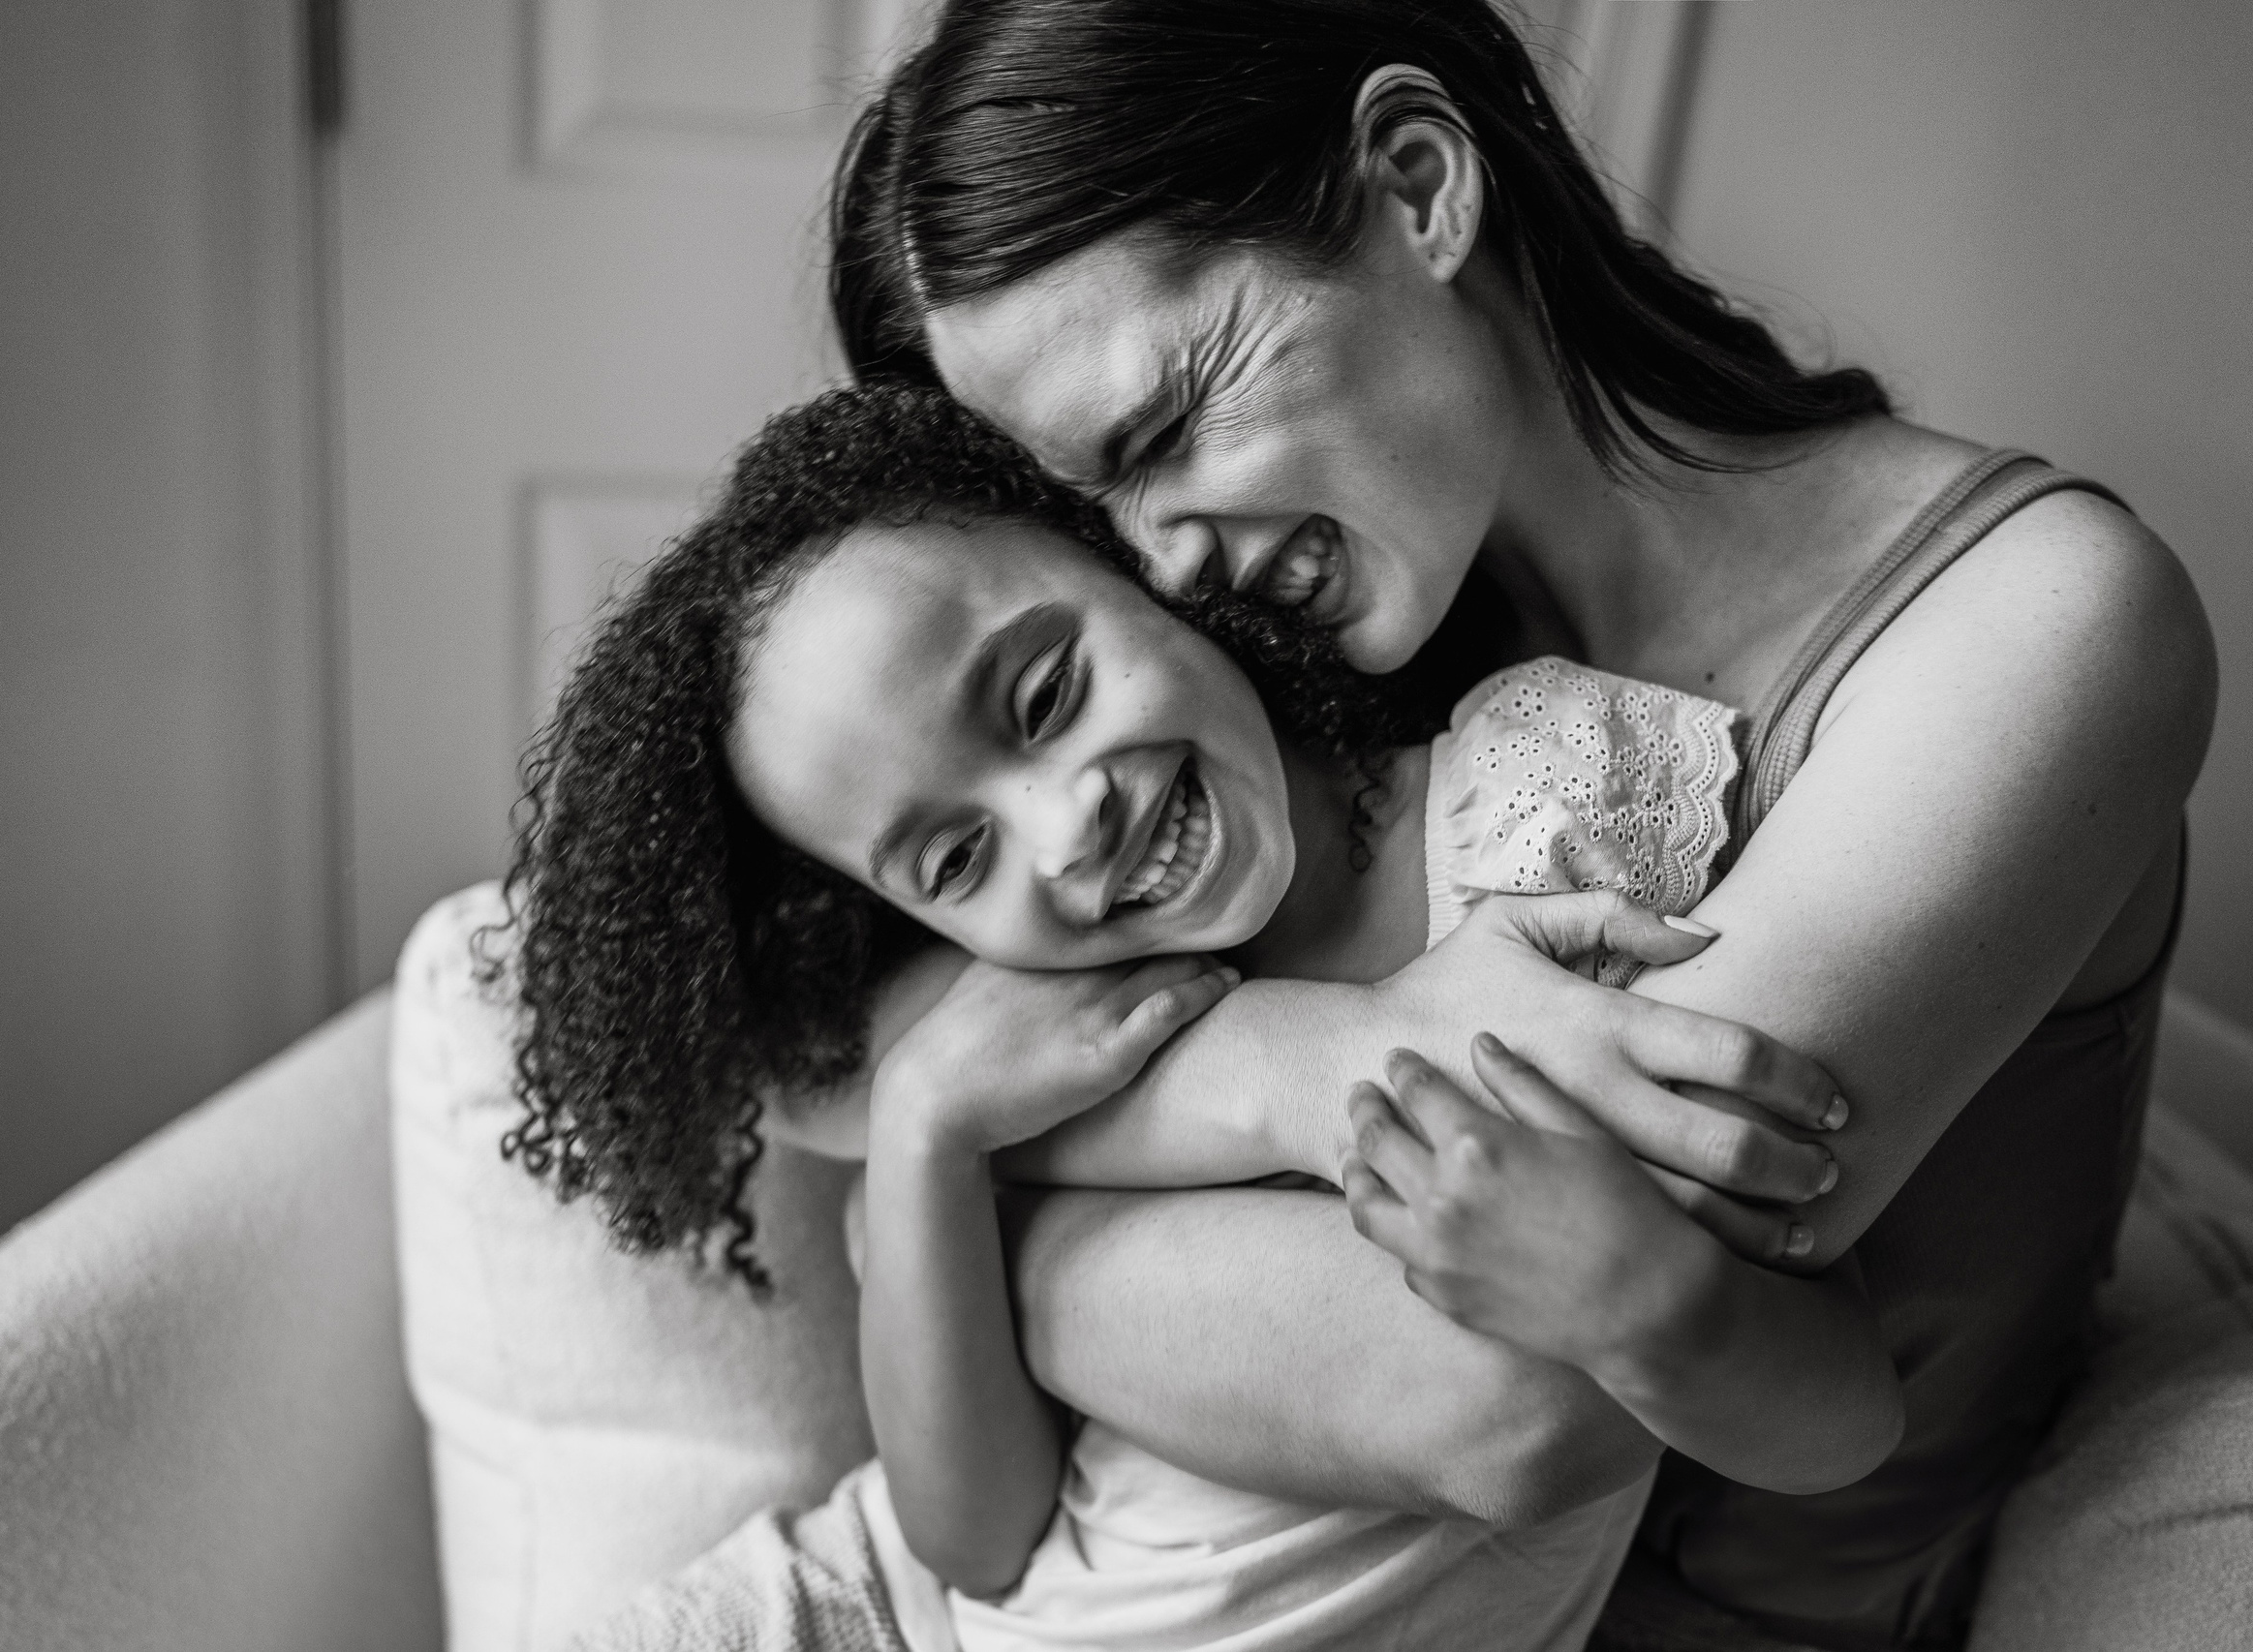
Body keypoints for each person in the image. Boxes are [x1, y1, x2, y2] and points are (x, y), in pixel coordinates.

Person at [825, 2, 2216, 1645]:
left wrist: (963, 1212)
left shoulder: (2041, 625)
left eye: (1167, 430)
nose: (1162, 563)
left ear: (1419, 184)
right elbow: (830, 1046)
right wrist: (1279, 1068)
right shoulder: (1328, 642)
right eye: (1095, 507)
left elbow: (1503, 1397)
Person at [513, 382, 1899, 1652]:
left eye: (1045, 694)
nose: (1065, 829)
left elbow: (1844, 1406)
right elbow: (972, 1540)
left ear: (1124, 555)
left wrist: (1653, 1300)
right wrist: (931, 1132)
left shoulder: (1551, 801)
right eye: (952, 858)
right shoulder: (1020, 1039)